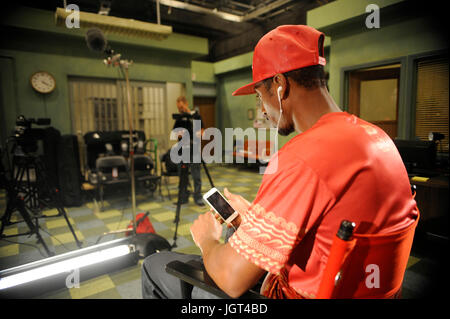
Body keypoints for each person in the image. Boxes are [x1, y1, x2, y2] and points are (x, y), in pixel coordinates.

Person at [141, 25, 418, 299]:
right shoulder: (379, 139)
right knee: (237, 236)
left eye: (261, 96)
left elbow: (230, 279)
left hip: (291, 294)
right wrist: (254, 219)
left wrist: (206, 241)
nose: (262, 109)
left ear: (280, 85)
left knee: (154, 265)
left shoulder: (302, 157)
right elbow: (327, 230)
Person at [171, 96, 205, 207]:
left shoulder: (196, 116)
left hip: (194, 149)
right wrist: (178, 134)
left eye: (181, 107)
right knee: (182, 176)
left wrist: (198, 133)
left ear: (186, 104)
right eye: (178, 108)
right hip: (181, 150)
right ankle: (183, 197)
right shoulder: (179, 118)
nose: (180, 109)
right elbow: (174, 133)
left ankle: (198, 197)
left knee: (196, 176)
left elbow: (202, 131)